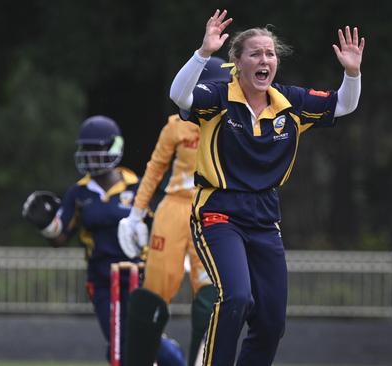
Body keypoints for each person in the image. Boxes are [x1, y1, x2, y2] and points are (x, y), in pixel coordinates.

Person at [168, 9, 365, 366]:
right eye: (255, 53)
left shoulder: (290, 103)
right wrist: (203, 53)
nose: (265, 60)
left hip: (264, 217)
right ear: (238, 63)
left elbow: (344, 104)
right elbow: (180, 95)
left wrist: (352, 72)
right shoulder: (218, 98)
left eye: (270, 53)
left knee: (272, 322)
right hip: (218, 212)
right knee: (237, 298)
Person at [21, 115, 185, 366]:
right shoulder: (79, 192)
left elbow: (163, 226)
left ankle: (174, 357)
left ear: (114, 147)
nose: (91, 157)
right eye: (86, 150)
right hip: (102, 281)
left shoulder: (138, 187)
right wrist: (45, 225)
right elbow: (60, 237)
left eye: (96, 149)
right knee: (118, 343)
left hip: (140, 279)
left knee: (144, 340)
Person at [118, 57, 230, 366]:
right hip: (175, 209)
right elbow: (154, 169)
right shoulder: (176, 125)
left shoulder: (233, 122)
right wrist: (136, 213)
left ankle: (202, 360)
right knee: (155, 289)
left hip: (211, 210)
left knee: (210, 295)